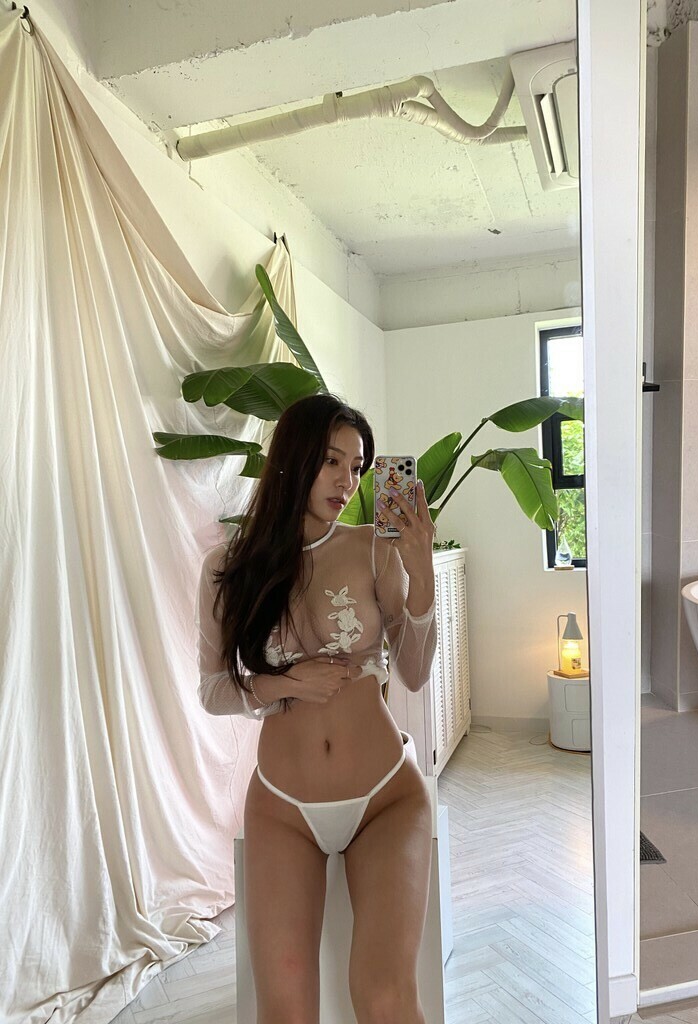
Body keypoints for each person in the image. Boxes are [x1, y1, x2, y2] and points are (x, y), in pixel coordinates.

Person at [196, 393, 438, 1024]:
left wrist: (422, 578)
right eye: (332, 461)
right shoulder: (228, 568)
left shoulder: (374, 548)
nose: (346, 481)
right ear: (293, 459)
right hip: (284, 809)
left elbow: (413, 673)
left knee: (384, 996)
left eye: (356, 467)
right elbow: (214, 690)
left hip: (385, 798)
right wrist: (287, 684)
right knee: (286, 1011)